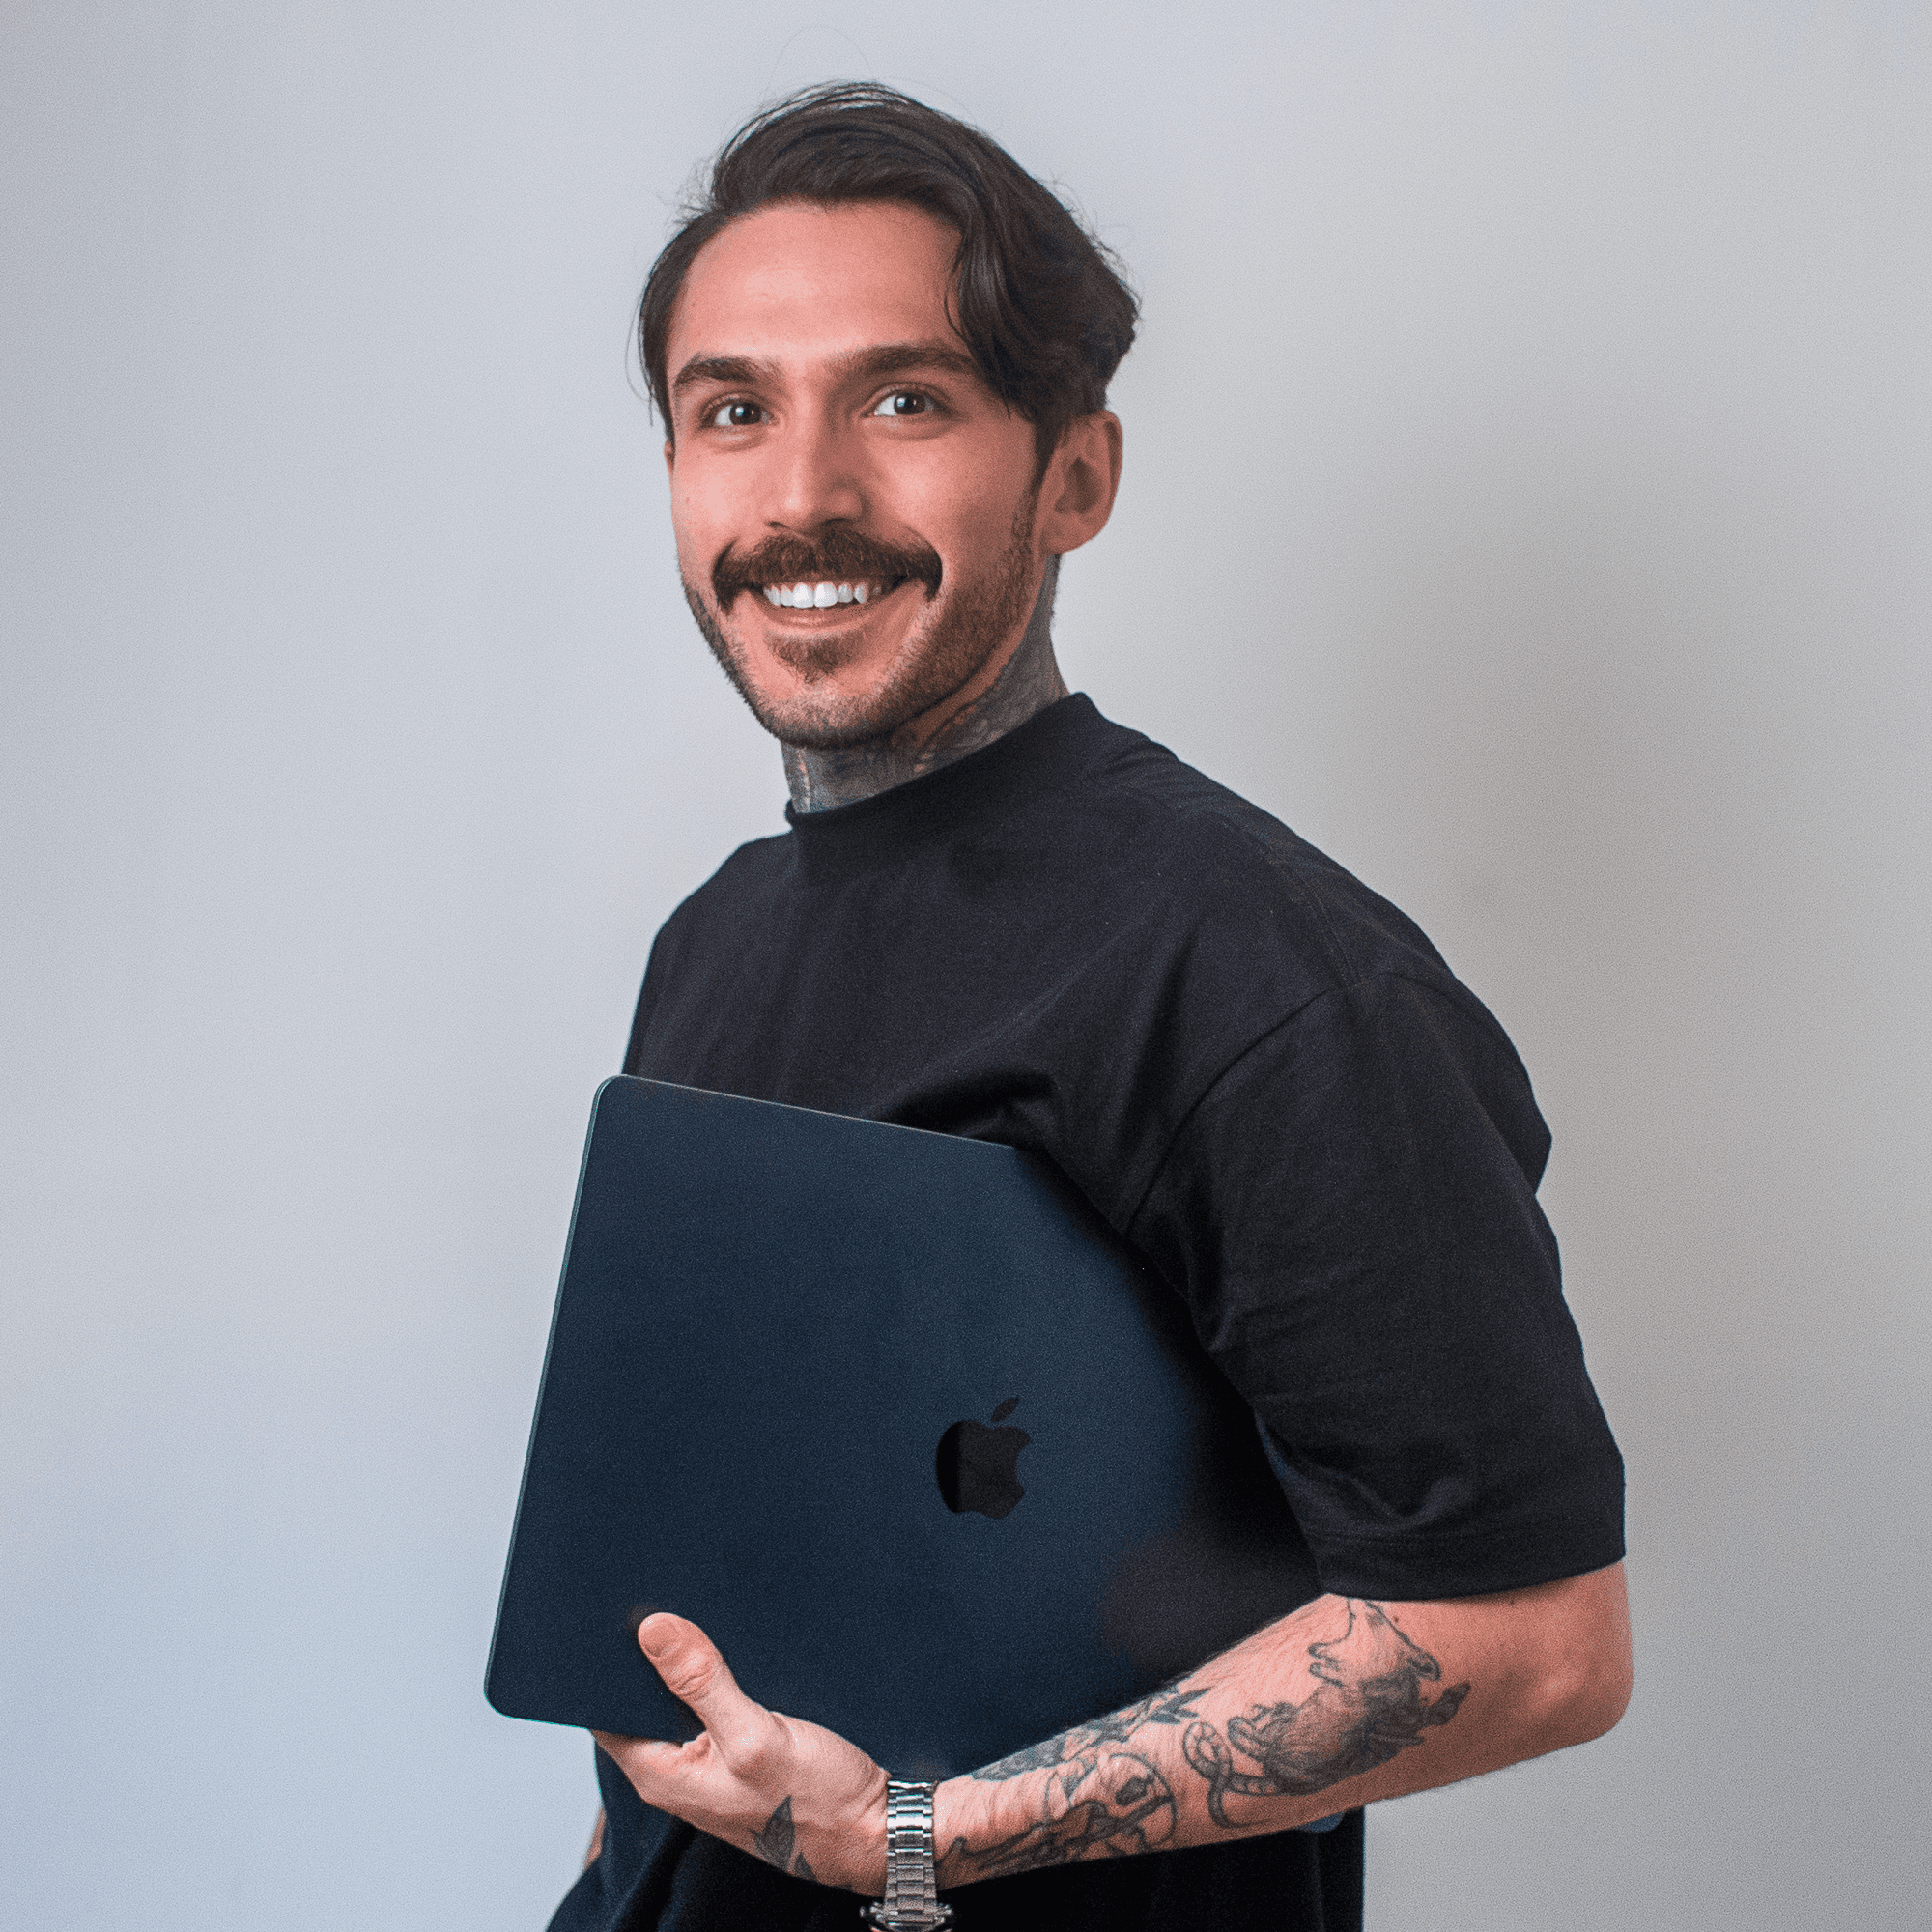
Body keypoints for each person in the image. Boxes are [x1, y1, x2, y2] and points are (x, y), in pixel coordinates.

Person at [546, 81, 1629, 1932]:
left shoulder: (1262, 971)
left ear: (1075, 475)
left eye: (904, 400)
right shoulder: (710, 940)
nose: (801, 494)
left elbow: (1533, 1641)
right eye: (732, 410)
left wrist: (911, 1841)